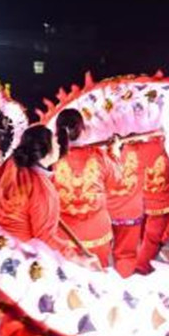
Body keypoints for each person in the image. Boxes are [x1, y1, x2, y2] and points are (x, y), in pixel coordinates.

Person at [0, 125, 72, 336]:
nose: (60, 149)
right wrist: (74, 259)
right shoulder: (41, 186)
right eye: (56, 146)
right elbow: (44, 236)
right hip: (28, 260)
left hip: (2, 254)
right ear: (46, 151)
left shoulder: (10, 166)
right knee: (38, 313)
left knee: (15, 309)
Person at [52, 109, 115, 268]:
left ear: (56, 132)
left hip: (64, 235)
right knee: (99, 283)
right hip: (96, 231)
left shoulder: (50, 158)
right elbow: (115, 180)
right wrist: (113, 153)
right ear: (83, 130)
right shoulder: (99, 155)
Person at [136, 135, 169, 274]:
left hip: (140, 198)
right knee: (152, 238)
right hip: (161, 202)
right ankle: (141, 267)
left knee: (142, 233)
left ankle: (140, 260)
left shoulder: (135, 145)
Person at [105, 135, 144, 278]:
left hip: (104, 213)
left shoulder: (97, 152)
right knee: (126, 255)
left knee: (97, 254)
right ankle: (124, 289)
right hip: (129, 213)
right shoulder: (143, 149)